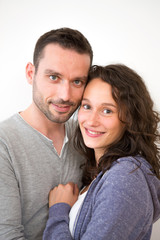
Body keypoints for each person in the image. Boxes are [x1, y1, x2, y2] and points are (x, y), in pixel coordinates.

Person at [43, 64, 160, 240]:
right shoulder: (103, 172)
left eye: (107, 111)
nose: (91, 120)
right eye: (87, 106)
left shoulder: (125, 177)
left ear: (130, 119)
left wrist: (59, 211)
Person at [0, 28, 93, 240]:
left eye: (77, 81)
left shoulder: (87, 134)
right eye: (54, 77)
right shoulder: (4, 144)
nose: (65, 95)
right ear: (30, 74)